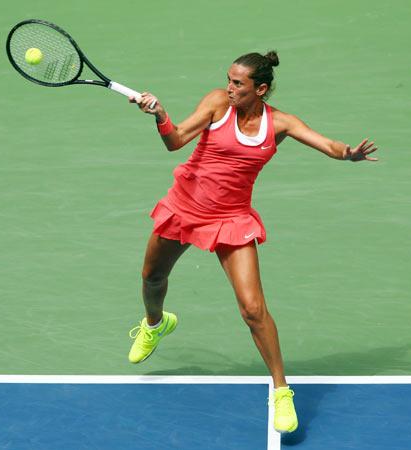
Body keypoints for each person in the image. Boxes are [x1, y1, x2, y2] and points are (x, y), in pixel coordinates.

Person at [127, 51, 378, 433]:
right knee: (152, 279)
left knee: (253, 309)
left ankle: (280, 390)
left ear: (260, 89)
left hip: (232, 219)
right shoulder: (216, 103)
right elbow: (175, 141)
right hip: (185, 207)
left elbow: (327, 144)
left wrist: (349, 154)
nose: (229, 88)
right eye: (228, 79)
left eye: (238, 83)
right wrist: (161, 115)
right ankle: (155, 323)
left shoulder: (280, 123)